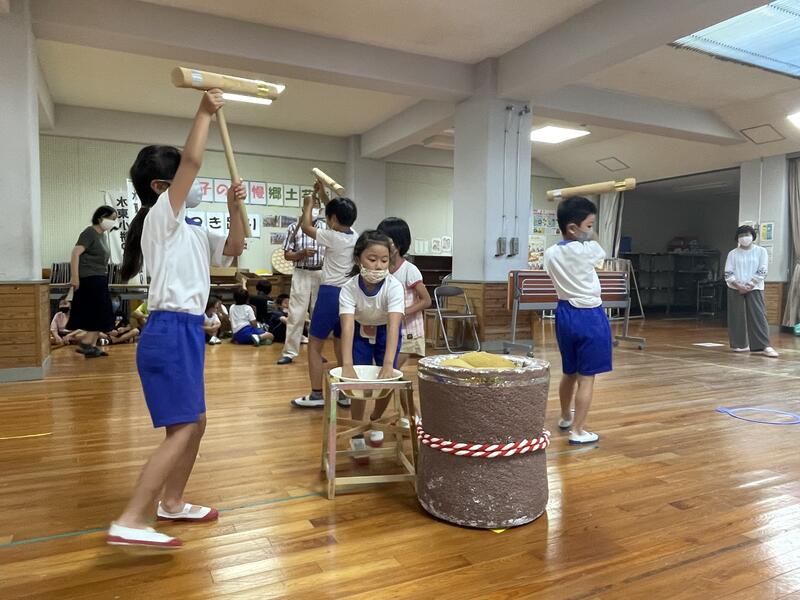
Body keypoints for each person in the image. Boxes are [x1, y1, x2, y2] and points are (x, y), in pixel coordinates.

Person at [107, 88, 246, 550]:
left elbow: (235, 247)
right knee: (183, 427)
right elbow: (192, 161)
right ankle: (131, 518)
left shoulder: (189, 231)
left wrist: (235, 210)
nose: (193, 183)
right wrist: (204, 112)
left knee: (195, 423)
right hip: (168, 333)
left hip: (186, 332)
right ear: (159, 188)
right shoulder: (159, 220)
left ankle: (171, 502)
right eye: (184, 179)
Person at [543, 197, 610, 445]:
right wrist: (590, 235)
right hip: (590, 316)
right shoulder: (586, 250)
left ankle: (565, 417)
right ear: (573, 228)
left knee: (569, 372)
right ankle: (578, 431)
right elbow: (599, 250)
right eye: (589, 225)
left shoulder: (550, 253)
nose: (591, 230)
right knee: (587, 377)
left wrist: (582, 227)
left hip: (564, 314)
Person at [339, 230, 405, 454]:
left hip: (386, 331)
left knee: (387, 379)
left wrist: (387, 364)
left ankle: (376, 419)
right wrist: (347, 364)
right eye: (372, 259)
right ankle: (357, 429)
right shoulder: (349, 288)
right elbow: (347, 327)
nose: (378, 266)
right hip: (360, 331)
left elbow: (394, 325)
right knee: (358, 383)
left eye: (384, 260)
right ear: (358, 259)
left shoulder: (394, 286)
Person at [290, 194, 358, 408]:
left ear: (333, 219)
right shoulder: (354, 235)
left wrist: (309, 204)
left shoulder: (332, 236)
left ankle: (316, 394)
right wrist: (323, 196)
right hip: (349, 296)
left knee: (314, 345)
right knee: (342, 345)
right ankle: (345, 393)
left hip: (330, 295)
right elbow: (337, 217)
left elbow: (306, 227)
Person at [277, 182, 327, 365]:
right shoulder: (294, 227)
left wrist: (322, 192)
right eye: (310, 206)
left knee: (318, 315)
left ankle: (316, 352)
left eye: (316, 206)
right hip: (301, 273)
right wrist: (301, 254)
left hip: (321, 273)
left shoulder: (325, 228)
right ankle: (289, 352)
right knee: (296, 314)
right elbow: (287, 255)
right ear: (304, 208)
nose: (314, 209)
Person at [376, 217, 431, 368]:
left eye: (387, 241)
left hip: (407, 331)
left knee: (391, 368)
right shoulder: (380, 268)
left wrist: (402, 312)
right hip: (386, 327)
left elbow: (426, 301)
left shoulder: (409, 270)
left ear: (399, 243)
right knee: (383, 368)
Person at [67, 205, 118, 358]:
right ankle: (86, 342)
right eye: (112, 219)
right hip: (90, 278)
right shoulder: (89, 233)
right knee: (99, 311)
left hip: (100, 277)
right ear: (101, 217)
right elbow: (75, 253)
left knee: (102, 311)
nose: (113, 222)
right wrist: (75, 277)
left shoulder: (103, 236)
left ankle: (91, 346)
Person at [724, 225, 779, 358]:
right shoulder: (732, 253)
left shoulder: (761, 251)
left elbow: (762, 270)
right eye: (741, 235)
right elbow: (728, 272)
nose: (744, 238)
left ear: (753, 236)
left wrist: (750, 284)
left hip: (755, 287)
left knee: (758, 316)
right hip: (735, 288)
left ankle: (763, 346)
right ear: (737, 238)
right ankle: (740, 344)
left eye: (747, 235)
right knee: (736, 316)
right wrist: (738, 286)